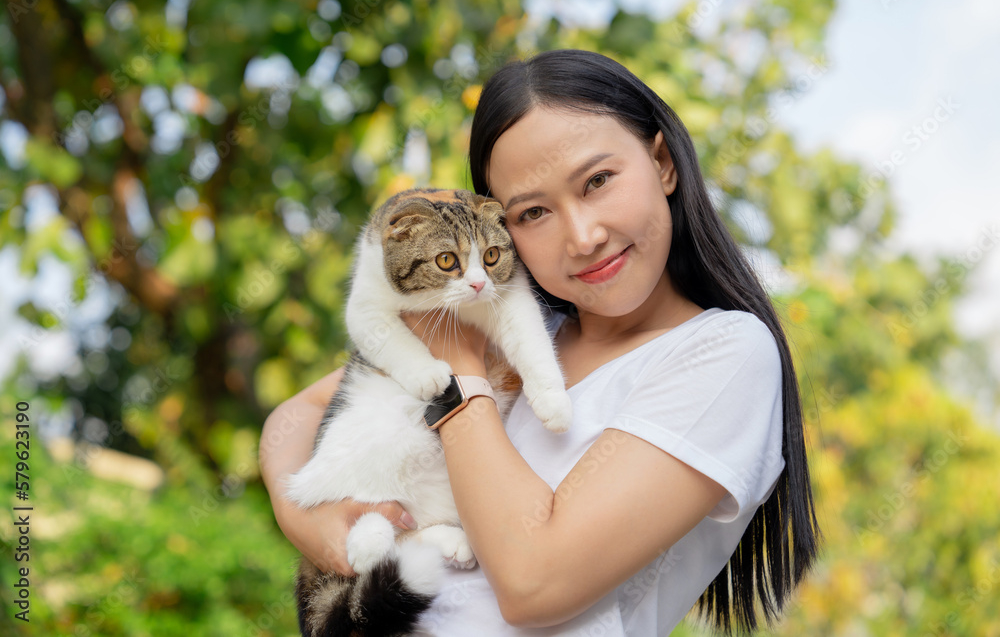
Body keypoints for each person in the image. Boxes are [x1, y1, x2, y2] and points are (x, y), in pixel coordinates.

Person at [259, 48, 822, 635]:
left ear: (662, 163)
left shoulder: (723, 354)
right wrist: (307, 522)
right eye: (532, 213)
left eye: (597, 181)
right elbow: (297, 414)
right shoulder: (516, 329)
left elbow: (533, 583)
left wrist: (459, 371)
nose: (583, 237)